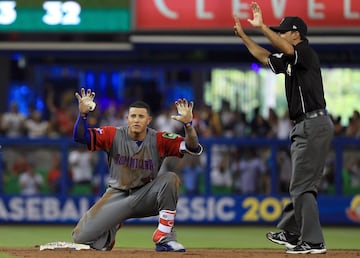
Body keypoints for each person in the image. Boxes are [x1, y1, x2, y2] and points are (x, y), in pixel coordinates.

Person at [233, 2, 334, 254]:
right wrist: (246, 36)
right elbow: (264, 56)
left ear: (296, 34)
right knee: (300, 184)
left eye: (283, 31)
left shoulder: (305, 52)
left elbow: (285, 47)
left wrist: (262, 27)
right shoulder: (291, 60)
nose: (279, 34)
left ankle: (312, 241)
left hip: (313, 122)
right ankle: (292, 232)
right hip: (306, 125)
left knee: (302, 186)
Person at [71, 88, 203, 252]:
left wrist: (188, 125)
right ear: (127, 118)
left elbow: (192, 147)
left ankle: (164, 238)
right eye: (133, 116)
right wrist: (83, 115)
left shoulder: (159, 139)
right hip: (117, 195)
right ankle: (113, 226)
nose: (136, 120)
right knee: (81, 238)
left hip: (146, 195)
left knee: (170, 179)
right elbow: (80, 137)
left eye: (141, 116)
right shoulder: (113, 134)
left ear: (148, 120)